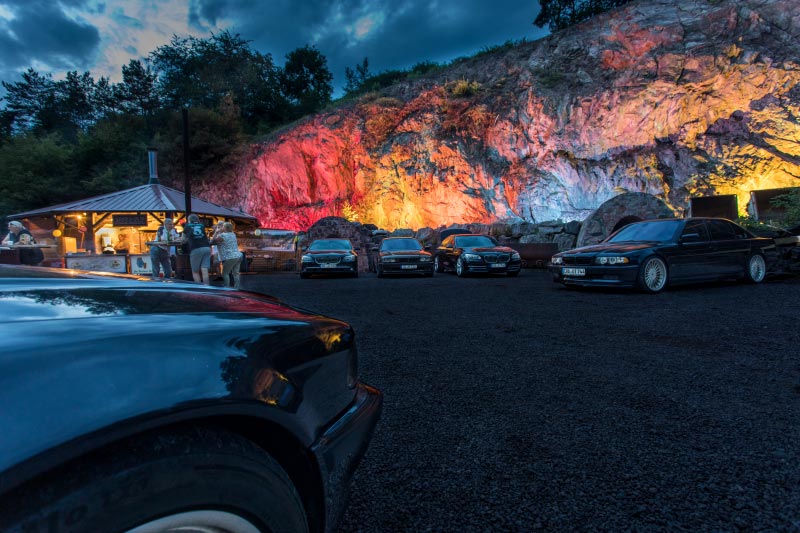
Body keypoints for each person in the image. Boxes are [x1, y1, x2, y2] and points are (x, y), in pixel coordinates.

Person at [211, 222, 243, 289]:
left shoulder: (223, 236)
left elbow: (212, 241)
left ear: (225, 228)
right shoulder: (233, 234)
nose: (221, 227)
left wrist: (216, 232)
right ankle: (237, 287)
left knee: (225, 273)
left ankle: (227, 288)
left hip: (230, 257)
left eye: (223, 226)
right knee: (236, 273)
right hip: (238, 256)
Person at [181, 213, 211, 284]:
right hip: (206, 247)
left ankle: (199, 287)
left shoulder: (187, 226)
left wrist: (187, 240)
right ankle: (207, 287)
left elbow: (183, 240)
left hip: (196, 248)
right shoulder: (202, 225)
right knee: (204, 269)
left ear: (189, 220)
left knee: (195, 271)